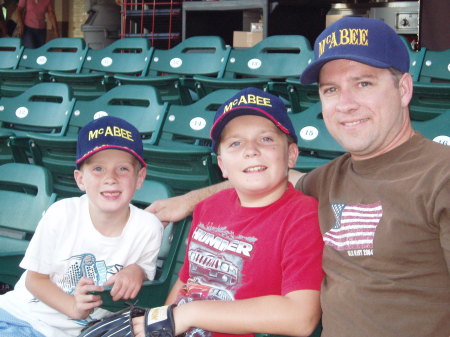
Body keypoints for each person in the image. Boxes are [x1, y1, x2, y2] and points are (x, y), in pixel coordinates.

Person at [145, 17, 450, 337]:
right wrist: (188, 200)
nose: (345, 104)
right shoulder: (326, 180)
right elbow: (269, 179)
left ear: (403, 89)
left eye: (364, 83)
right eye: (331, 89)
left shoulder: (440, 177)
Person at [133, 87, 324, 337]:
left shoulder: (304, 215)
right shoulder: (208, 207)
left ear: (291, 154)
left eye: (266, 139)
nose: (251, 150)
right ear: (222, 165)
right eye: (235, 143)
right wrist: (161, 323)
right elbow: (186, 283)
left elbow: (301, 317)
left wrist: (190, 314)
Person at [0, 116, 164, 337]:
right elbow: (34, 280)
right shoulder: (61, 213)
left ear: (139, 177)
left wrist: (137, 271)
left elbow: (144, 270)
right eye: (98, 169)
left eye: (123, 169)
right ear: (80, 179)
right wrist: (72, 307)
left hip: (85, 331)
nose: (110, 178)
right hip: (23, 317)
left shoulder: (149, 227)